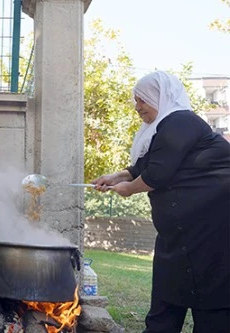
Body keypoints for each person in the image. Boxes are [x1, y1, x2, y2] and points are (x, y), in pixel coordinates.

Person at [92, 71, 230, 332]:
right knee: (165, 307)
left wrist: (128, 189)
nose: (137, 107)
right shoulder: (161, 131)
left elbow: (156, 174)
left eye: (142, 99)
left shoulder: (181, 121)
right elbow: (143, 166)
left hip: (211, 236)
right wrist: (115, 177)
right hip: (178, 238)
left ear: (160, 96)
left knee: (213, 312)